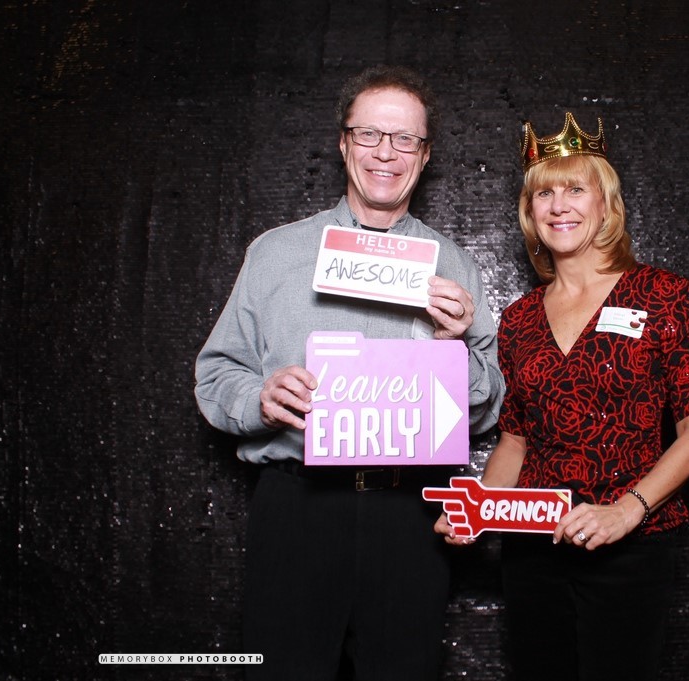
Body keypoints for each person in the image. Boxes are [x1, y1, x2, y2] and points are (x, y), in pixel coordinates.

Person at [195, 65, 504, 681]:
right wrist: (259, 396)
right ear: (343, 143)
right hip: (298, 507)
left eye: (405, 138)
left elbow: (489, 405)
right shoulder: (276, 252)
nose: (386, 152)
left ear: (425, 155)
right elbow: (216, 373)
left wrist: (453, 345)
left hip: (409, 515)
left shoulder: (455, 266)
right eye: (369, 134)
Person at [435, 112, 689, 680]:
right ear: (529, 211)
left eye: (575, 189)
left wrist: (627, 511)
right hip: (533, 549)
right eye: (544, 193)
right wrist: (479, 509)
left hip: (630, 545)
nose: (558, 205)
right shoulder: (519, 319)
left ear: (606, 204)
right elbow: (515, 441)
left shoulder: (663, 295)